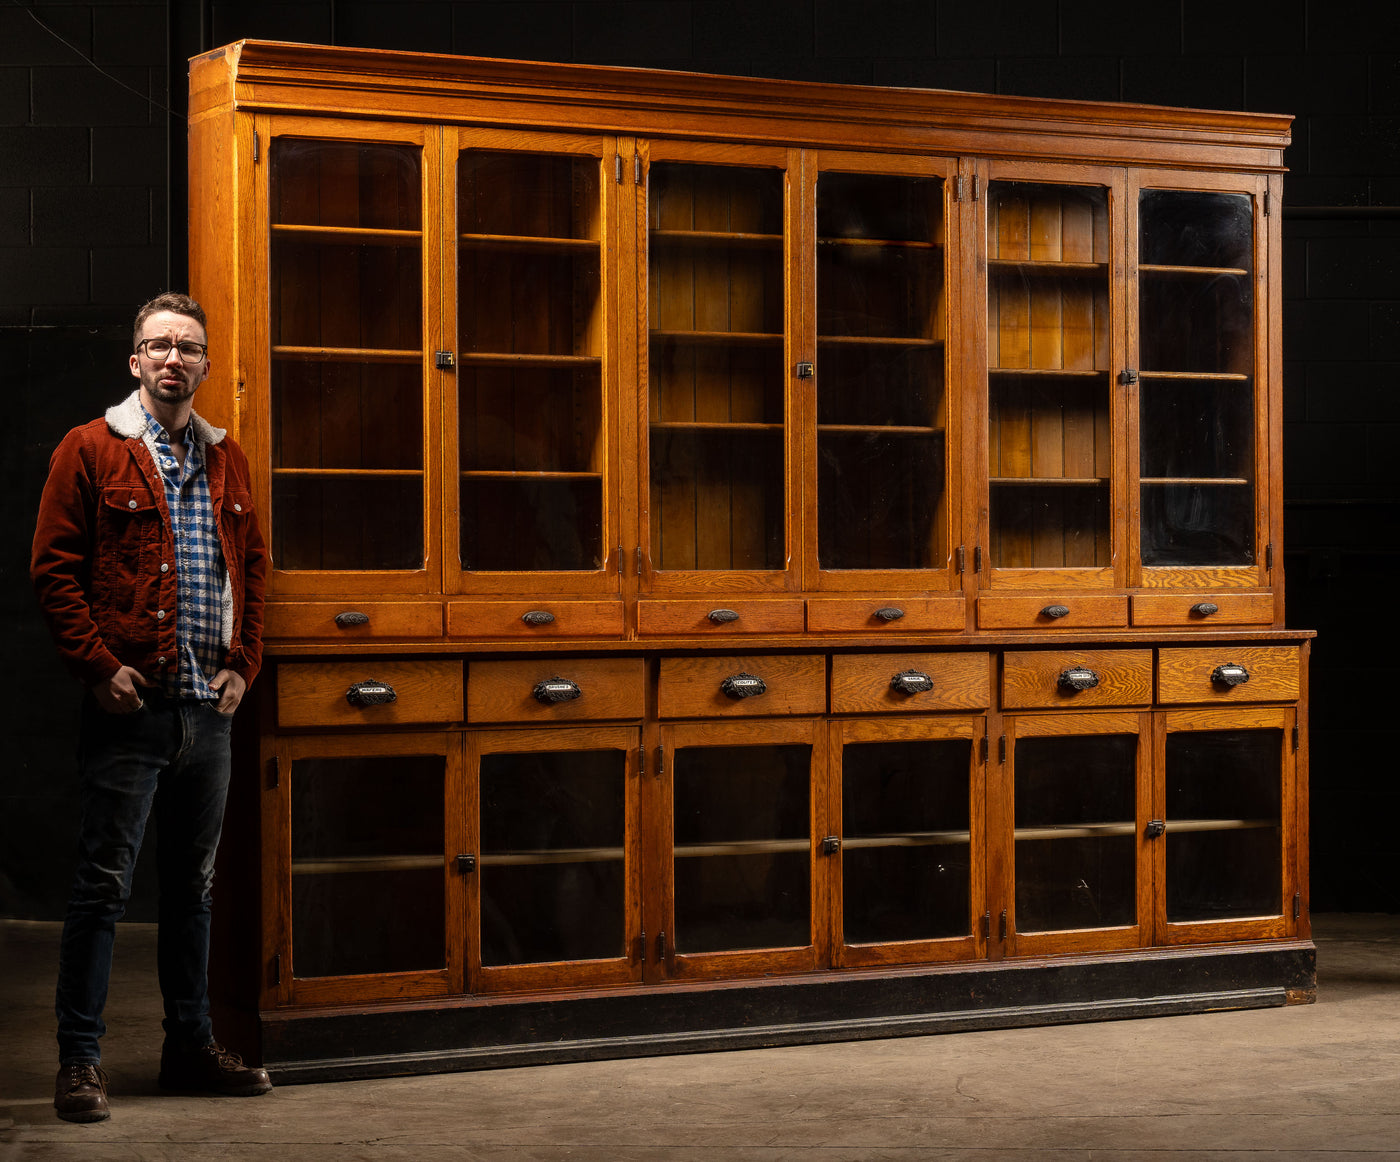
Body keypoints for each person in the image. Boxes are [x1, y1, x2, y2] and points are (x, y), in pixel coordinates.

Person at [31, 293, 272, 1122]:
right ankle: (80, 1061)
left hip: (208, 714)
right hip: (129, 711)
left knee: (193, 891)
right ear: (135, 361)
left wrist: (245, 665)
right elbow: (53, 571)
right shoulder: (90, 449)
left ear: (204, 366)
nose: (174, 358)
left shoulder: (225, 458)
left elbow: (255, 568)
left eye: (189, 347)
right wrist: (98, 668)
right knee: (103, 885)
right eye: (159, 345)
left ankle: (189, 1047)